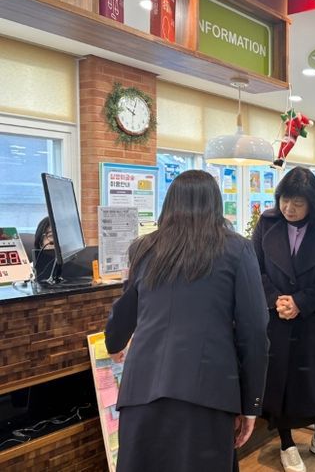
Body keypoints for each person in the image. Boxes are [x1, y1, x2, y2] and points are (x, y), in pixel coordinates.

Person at [105, 170, 269, 472]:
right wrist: (250, 405)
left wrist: (114, 344)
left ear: (169, 204)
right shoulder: (237, 249)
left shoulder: (143, 247)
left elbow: (124, 312)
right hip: (207, 395)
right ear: (216, 205)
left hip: (142, 392)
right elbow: (255, 332)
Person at [252, 167, 315, 472]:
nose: (289, 208)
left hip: (314, 315)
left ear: (312, 203)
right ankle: (286, 443)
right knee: (282, 379)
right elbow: (256, 267)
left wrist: (300, 302)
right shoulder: (267, 223)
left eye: (298, 203)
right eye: (285, 200)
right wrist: (276, 299)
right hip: (277, 315)